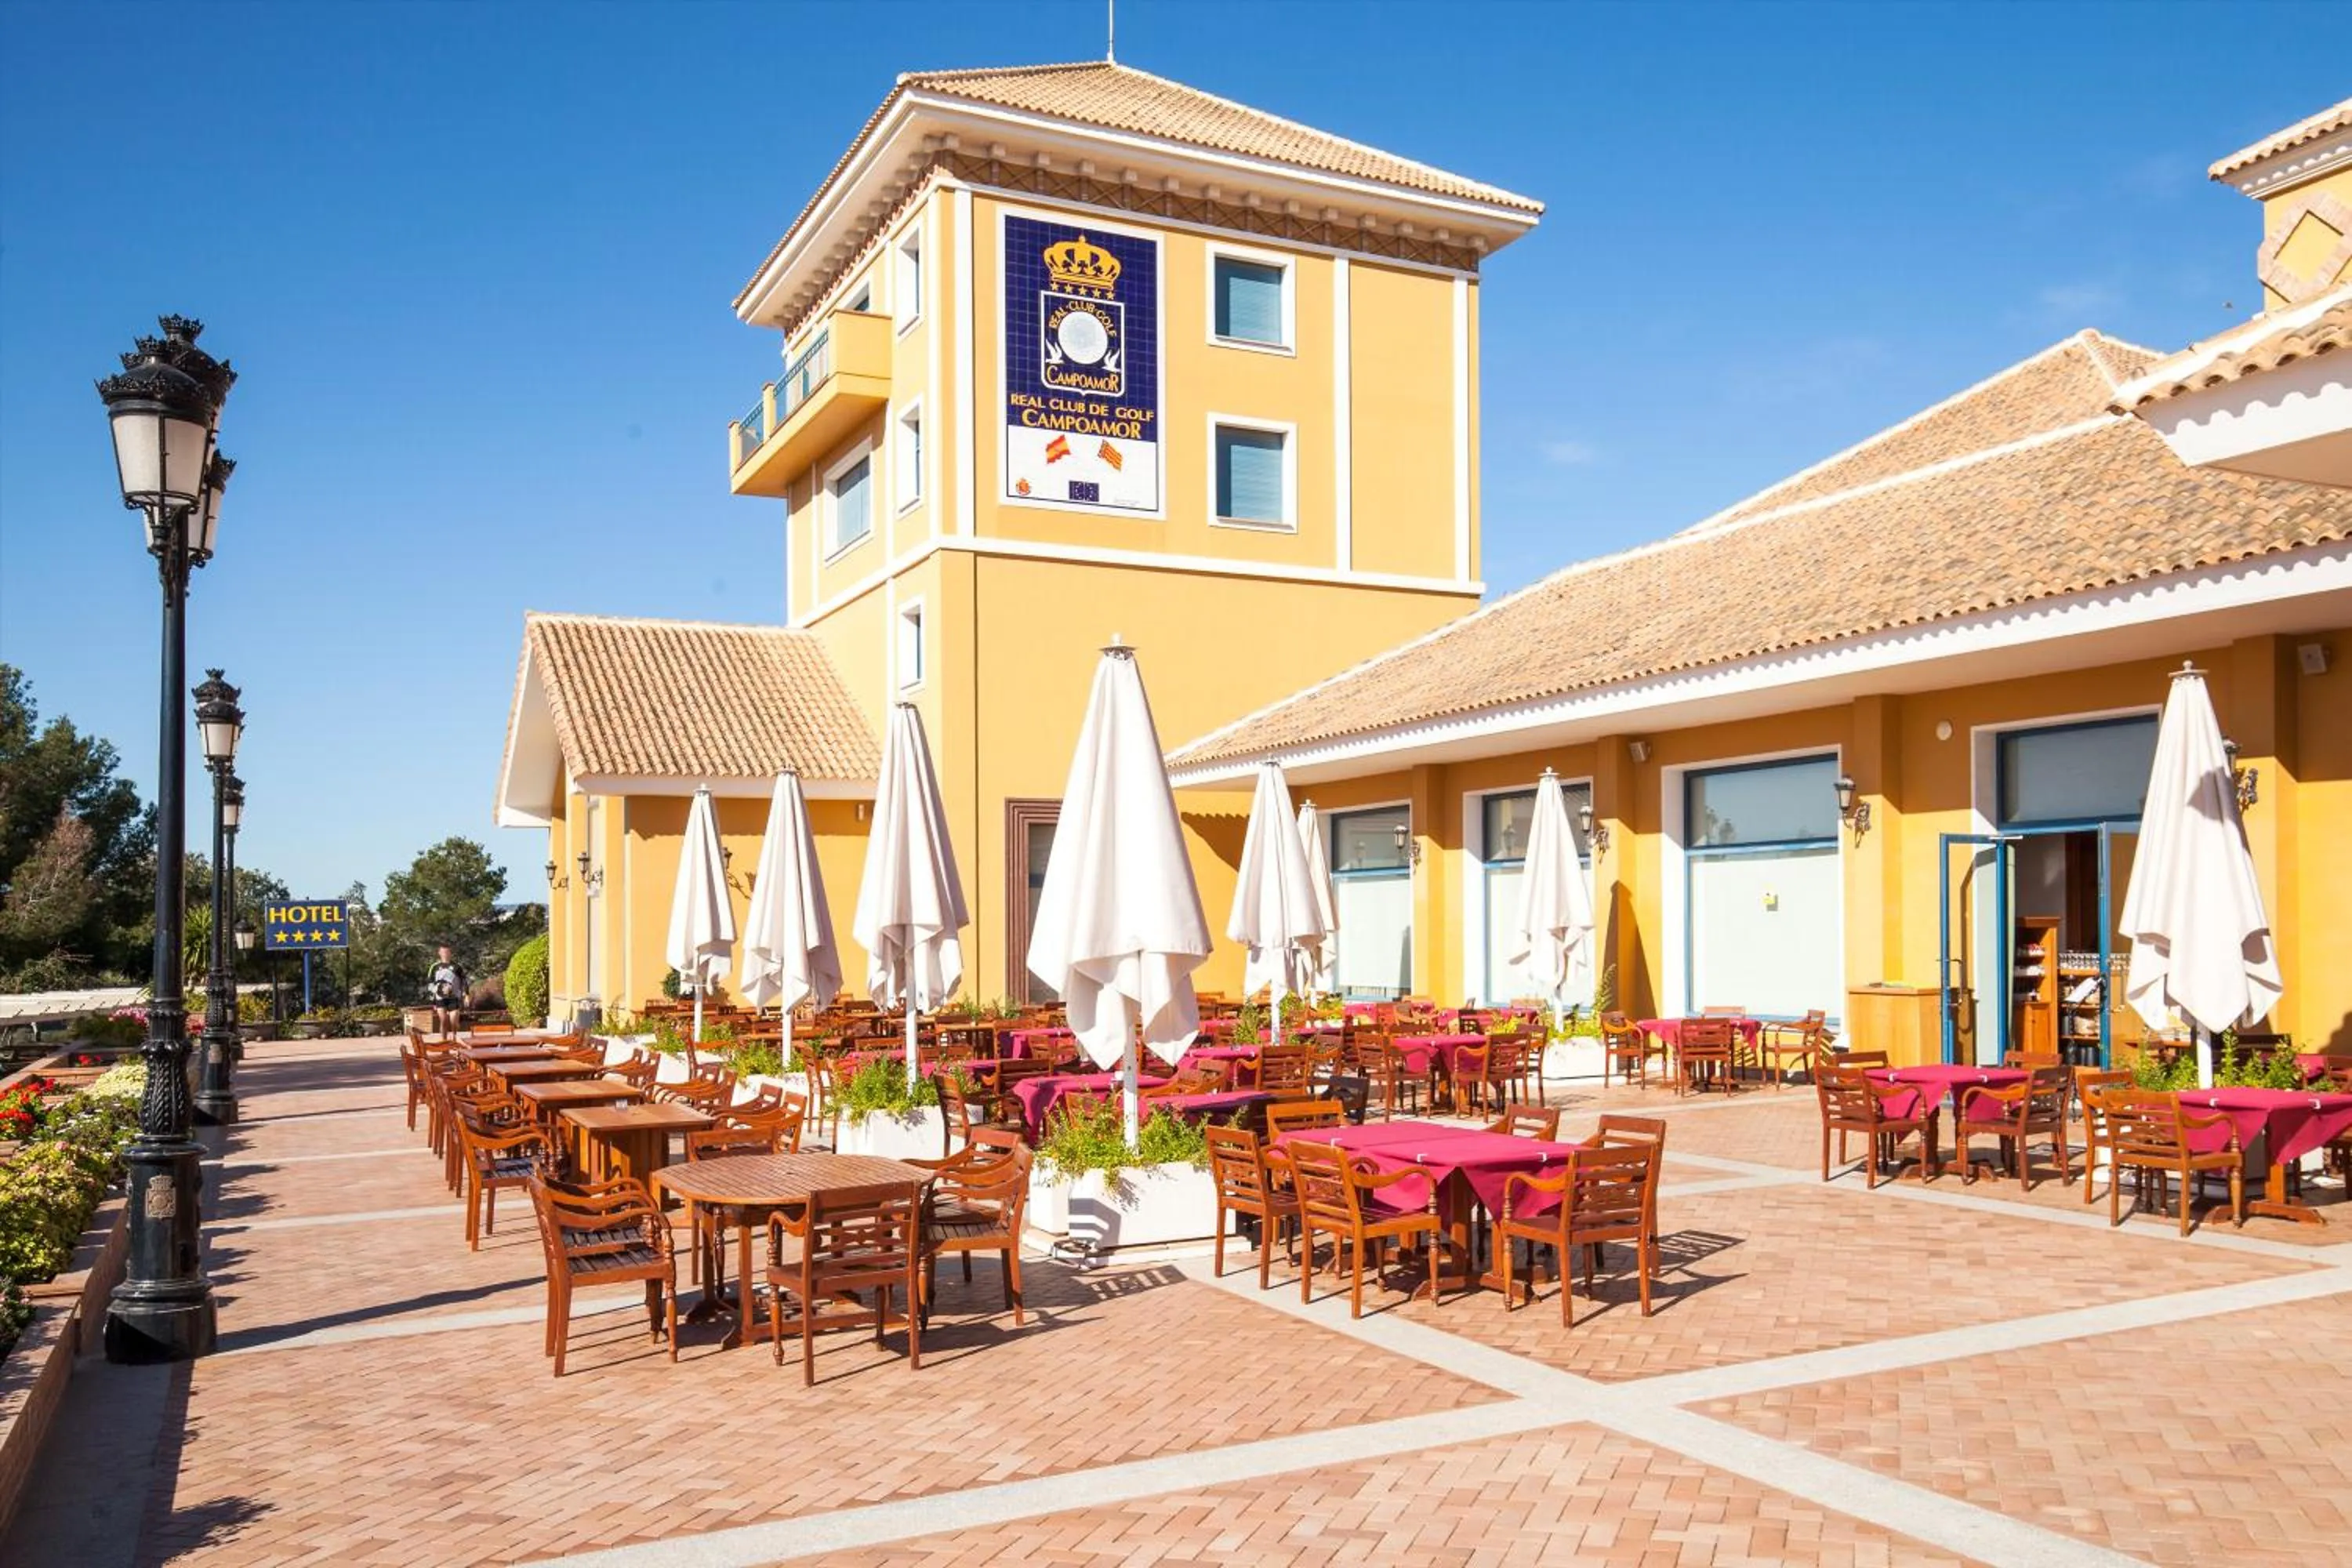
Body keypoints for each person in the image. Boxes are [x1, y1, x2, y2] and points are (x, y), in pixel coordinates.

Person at [426, 946, 468, 1033]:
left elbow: (464, 981)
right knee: (443, 1021)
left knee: (453, 1022)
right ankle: (444, 1040)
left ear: (450, 953)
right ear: (439, 953)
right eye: (443, 952)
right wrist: (433, 1000)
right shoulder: (434, 967)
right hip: (440, 998)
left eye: (447, 952)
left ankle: (454, 1036)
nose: (445, 954)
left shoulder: (457, 967)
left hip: (454, 997)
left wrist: (466, 995)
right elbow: (430, 983)